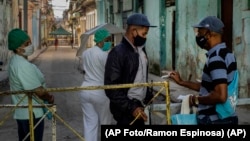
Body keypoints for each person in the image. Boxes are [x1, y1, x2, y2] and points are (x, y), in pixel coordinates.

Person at [169, 16, 238, 125]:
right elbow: (209, 87)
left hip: (215, 120)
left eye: (200, 33)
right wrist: (181, 82)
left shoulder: (216, 57)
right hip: (227, 117)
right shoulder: (228, 53)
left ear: (209, 34)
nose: (198, 36)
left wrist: (196, 100)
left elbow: (220, 95)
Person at [104, 13, 156, 125]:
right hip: (126, 111)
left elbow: (141, 77)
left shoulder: (141, 50)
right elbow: (111, 88)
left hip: (140, 107)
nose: (145, 37)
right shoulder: (117, 53)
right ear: (133, 31)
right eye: (144, 34)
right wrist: (131, 108)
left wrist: (147, 94)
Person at [7, 28, 54, 141]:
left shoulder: (15, 61)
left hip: (23, 113)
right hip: (31, 114)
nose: (30, 46)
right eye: (26, 44)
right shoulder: (22, 66)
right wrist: (49, 97)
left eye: (30, 42)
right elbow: (38, 91)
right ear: (18, 48)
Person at [79, 28, 113, 141]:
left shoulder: (85, 53)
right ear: (100, 41)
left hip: (85, 89)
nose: (109, 42)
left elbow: (82, 69)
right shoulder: (105, 56)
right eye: (107, 40)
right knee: (105, 123)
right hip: (100, 91)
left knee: (89, 124)